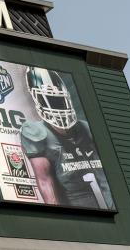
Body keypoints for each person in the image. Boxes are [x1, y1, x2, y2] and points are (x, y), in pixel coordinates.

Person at [18, 67, 113, 209]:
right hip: (77, 206)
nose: (56, 107)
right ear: (36, 99)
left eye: (59, 100)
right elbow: (45, 181)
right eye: (50, 99)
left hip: (108, 203)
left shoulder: (86, 128)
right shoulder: (35, 131)